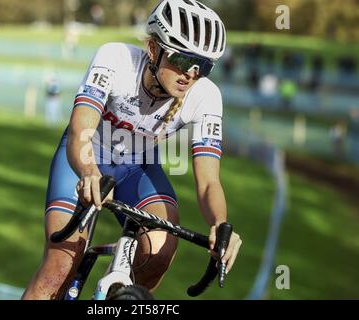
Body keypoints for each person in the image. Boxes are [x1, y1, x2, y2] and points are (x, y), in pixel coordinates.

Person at [22, 0, 242, 300]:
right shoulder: (116, 58)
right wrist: (88, 173)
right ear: (153, 49)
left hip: (138, 169)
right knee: (60, 266)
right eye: (181, 61)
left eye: (202, 66)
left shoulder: (206, 96)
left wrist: (219, 224)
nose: (190, 74)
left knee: (160, 252)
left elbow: (208, 182)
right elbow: (79, 132)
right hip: (86, 157)